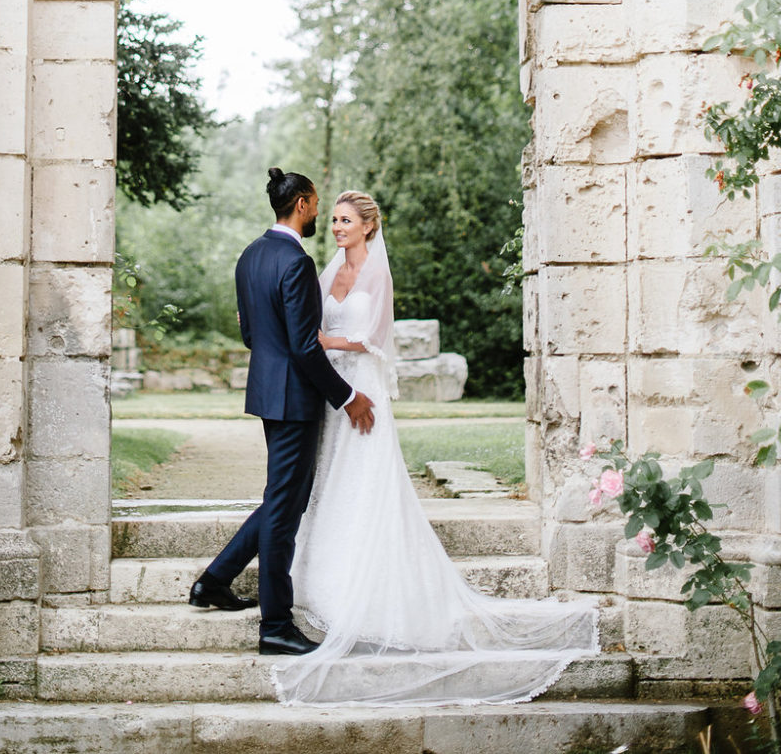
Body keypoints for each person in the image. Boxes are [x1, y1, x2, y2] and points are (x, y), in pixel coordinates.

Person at [270, 190, 600, 705]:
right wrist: (317, 349)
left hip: (362, 389)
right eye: (332, 219)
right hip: (329, 393)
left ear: (368, 227)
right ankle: (320, 581)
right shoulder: (324, 273)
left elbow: (376, 338)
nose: (336, 228)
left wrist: (325, 345)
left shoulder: (378, 275)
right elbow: (305, 325)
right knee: (327, 483)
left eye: (346, 221)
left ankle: (369, 587)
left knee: (364, 482)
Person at [188, 168, 376, 656]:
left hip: (269, 394)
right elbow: (304, 347)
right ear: (303, 203)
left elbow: (252, 334)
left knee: (282, 499)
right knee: (285, 511)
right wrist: (348, 396)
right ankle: (275, 625)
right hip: (295, 400)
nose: (320, 215)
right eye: (316, 206)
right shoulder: (296, 262)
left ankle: (214, 581)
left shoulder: (250, 255)